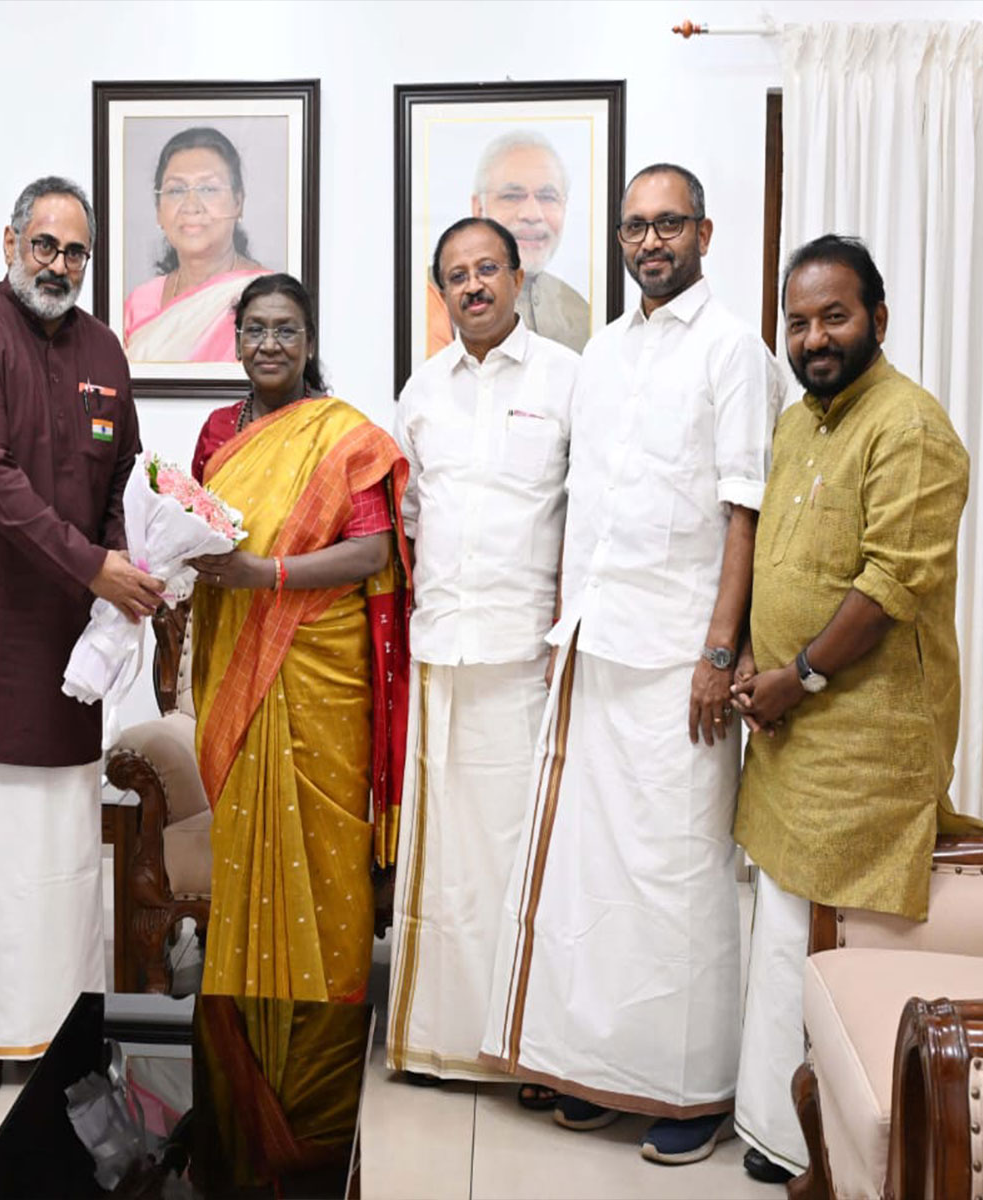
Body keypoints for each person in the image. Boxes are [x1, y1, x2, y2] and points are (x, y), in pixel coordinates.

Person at [482, 164, 777, 1165]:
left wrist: (717, 651)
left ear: (703, 232)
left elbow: (745, 509)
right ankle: (601, 1067)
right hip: (595, 645)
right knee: (594, 879)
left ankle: (692, 1089)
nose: (649, 242)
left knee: (677, 876)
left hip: (678, 660)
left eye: (667, 225)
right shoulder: (600, 351)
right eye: (633, 227)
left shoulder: (735, 348)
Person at [729, 236, 983, 1185]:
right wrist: (759, 659)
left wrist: (797, 677)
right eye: (797, 322)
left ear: (879, 319)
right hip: (789, 727)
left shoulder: (910, 427)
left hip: (865, 740)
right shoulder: (801, 423)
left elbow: (889, 587)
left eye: (834, 316)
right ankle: (773, 1123)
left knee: (839, 934)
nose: (814, 337)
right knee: (782, 927)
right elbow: (775, 562)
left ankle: (843, 1145)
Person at [0, 176, 161, 1100]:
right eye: (43, 244)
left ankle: (57, 1026)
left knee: (58, 859)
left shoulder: (102, 349)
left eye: (75, 251)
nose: (57, 264)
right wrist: (95, 566)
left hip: (64, 653)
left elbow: (125, 471)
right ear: (8, 240)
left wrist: (137, 551)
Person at [387, 217, 577, 1088]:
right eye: (456, 275)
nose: (473, 286)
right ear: (444, 291)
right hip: (440, 658)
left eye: (487, 269)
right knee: (444, 868)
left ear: (516, 275)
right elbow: (410, 525)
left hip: (525, 660)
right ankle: (440, 1042)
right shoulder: (421, 392)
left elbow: (586, 523)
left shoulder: (571, 381)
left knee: (520, 862)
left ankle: (525, 1051)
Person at [187, 272, 411, 1003]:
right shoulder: (218, 433)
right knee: (248, 827)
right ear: (239, 338)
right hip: (238, 653)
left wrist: (266, 573)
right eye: (256, 329)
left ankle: (330, 1008)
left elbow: (374, 553)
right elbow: (193, 533)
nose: (270, 343)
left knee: (324, 838)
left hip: (323, 668)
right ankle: (242, 999)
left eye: (286, 329)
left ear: (309, 342)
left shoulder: (345, 436)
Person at [427, 130, 591, 356]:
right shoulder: (431, 296)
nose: (532, 214)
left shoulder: (582, 313)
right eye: (512, 196)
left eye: (547, 196)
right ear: (479, 208)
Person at [123, 127, 269, 363]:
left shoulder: (266, 295)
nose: (191, 205)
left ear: (238, 202)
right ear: (159, 210)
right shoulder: (139, 302)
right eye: (176, 190)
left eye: (208, 189)